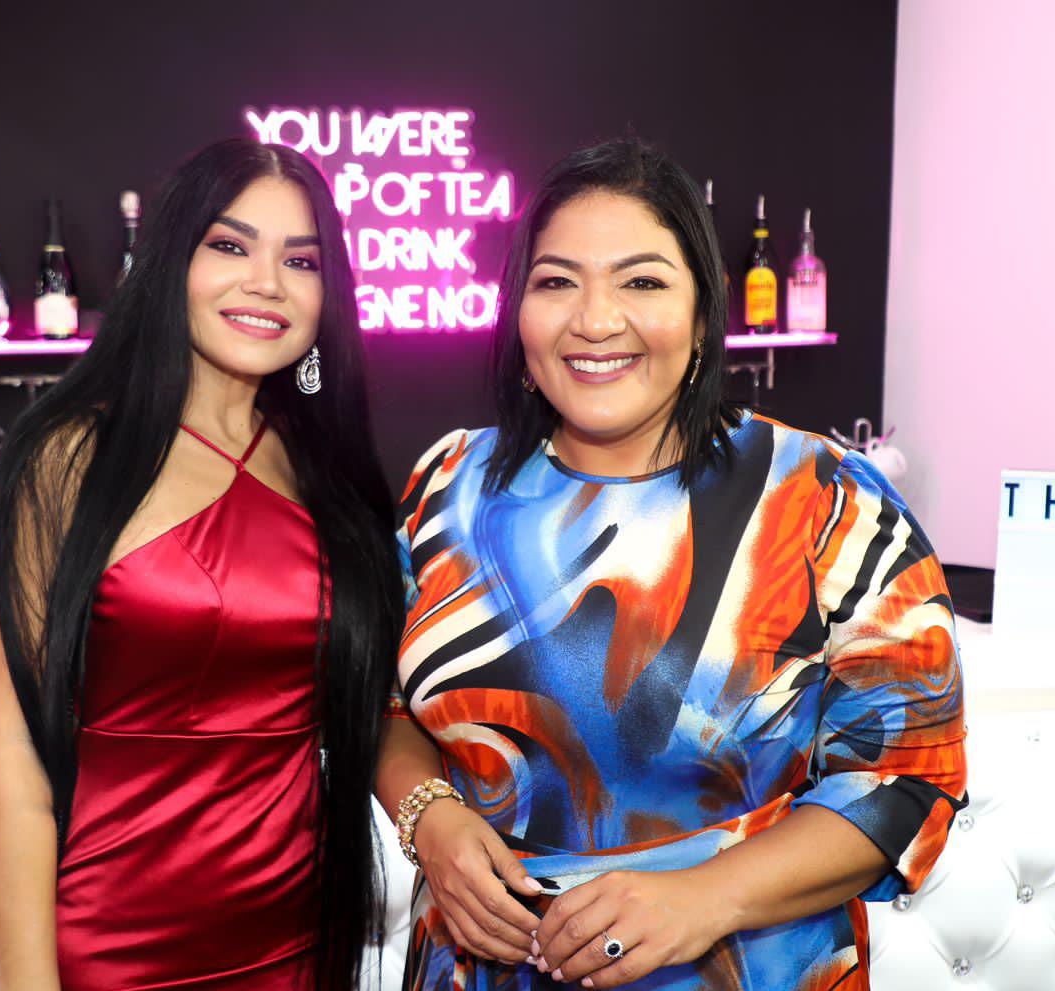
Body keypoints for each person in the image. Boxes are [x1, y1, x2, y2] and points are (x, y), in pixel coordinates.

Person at [377, 137, 967, 990]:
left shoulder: (821, 495)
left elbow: (910, 776)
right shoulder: (448, 484)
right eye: (556, 281)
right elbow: (387, 705)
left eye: (642, 282)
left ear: (700, 315)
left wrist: (704, 898)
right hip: (475, 966)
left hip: (741, 966)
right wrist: (429, 818)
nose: (594, 319)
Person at [0, 138, 403, 991]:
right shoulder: (66, 458)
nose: (266, 283)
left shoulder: (330, 470)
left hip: (296, 935)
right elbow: (13, 752)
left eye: (301, 260)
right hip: (113, 941)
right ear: (172, 261)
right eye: (230, 245)